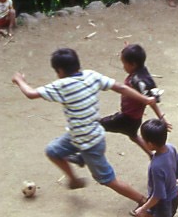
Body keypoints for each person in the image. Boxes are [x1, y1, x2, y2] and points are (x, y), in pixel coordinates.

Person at [11, 47, 158, 204]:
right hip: (82, 135)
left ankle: (143, 202)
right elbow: (120, 87)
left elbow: (31, 94)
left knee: (108, 179)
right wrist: (144, 99)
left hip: (90, 144)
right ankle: (74, 179)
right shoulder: (91, 75)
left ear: (60, 71)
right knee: (52, 150)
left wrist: (20, 81)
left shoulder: (62, 85)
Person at [69, 44, 167, 161]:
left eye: (124, 64)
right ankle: (151, 155)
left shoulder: (137, 81)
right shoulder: (143, 74)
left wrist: (161, 116)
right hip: (136, 119)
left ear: (133, 64)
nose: (123, 67)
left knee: (97, 126)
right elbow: (151, 99)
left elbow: (151, 101)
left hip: (126, 118)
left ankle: (83, 156)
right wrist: (161, 117)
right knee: (133, 136)